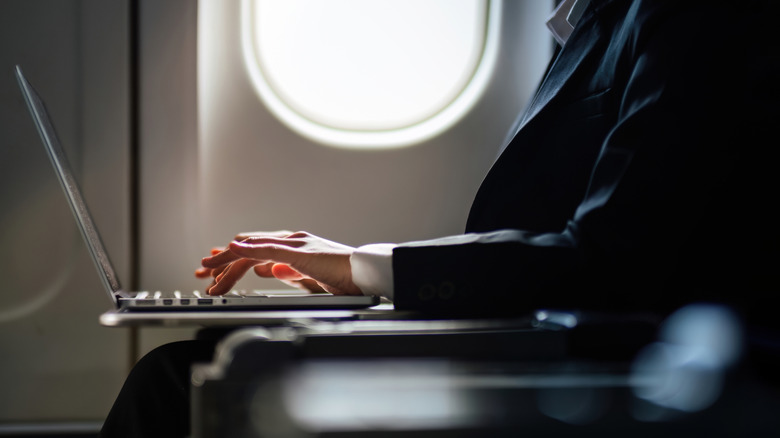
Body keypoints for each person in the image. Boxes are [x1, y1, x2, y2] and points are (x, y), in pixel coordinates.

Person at [100, 0, 780, 436]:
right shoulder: (588, 19)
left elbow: (611, 262)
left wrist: (371, 266)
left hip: (598, 361)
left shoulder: (694, 15)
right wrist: (370, 280)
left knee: (179, 380)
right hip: (539, 335)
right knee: (186, 368)